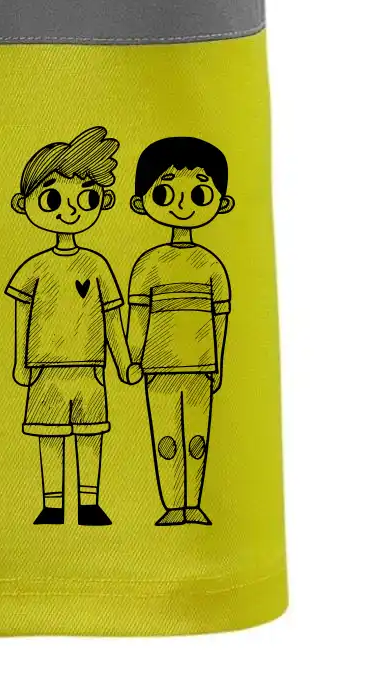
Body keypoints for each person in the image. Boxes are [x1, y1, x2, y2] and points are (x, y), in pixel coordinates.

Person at [5, 126, 140, 524]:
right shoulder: (35, 267)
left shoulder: (97, 265)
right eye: (52, 199)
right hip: (46, 370)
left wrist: (124, 362)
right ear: (23, 204)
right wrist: (20, 362)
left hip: (90, 370)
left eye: (87, 198)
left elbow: (112, 316)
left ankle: (88, 503)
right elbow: (22, 315)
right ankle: (51, 504)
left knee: (91, 435)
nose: (69, 211)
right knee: (49, 438)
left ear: (103, 200)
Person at [125, 137, 235, 526]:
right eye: (165, 193)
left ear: (222, 203)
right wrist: (133, 357)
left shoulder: (211, 265)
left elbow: (220, 319)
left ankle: (194, 503)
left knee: (197, 440)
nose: (183, 205)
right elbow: (138, 317)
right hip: (158, 366)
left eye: (199, 194)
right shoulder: (148, 265)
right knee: (167, 439)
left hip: (201, 365)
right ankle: (173, 504)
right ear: (141, 203)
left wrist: (218, 363)